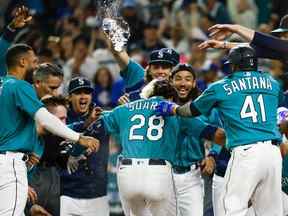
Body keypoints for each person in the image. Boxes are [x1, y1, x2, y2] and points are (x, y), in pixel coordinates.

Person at [156, 45, 283, 215]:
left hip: (245, 152)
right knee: (271, 211)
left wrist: (174, 110)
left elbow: (192, 110)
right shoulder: (273, 83)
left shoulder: (221, 86)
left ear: (235, 65)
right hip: (273, 153)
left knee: (231, 207)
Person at [101, 79, 225, 216]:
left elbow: (96, 123)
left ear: (147, 94)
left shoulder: (125, 108)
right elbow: (215, 134)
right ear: (171, 97)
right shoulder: (173, 110)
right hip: (158, 172)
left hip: (127, 174)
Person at [0, 43, 99, 215]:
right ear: (23, 62)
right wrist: (79, 137)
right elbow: (45, 120)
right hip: (10, 163)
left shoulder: (2, 85)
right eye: (34, 61)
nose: (37, 65)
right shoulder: (19, 86)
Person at [168, 63, 223, 216]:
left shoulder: (204, 108)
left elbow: (220, 135)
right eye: (178, 79)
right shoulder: (161, 106)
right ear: (171, 81)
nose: (183, 83)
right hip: (164, 174)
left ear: (193, 83)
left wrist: (212, 155)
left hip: (192, 175)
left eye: (187, 79)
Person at [60, 77, 110, 216]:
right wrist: (87, 123)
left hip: (97, 194)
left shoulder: (102, 117)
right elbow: (60, 131)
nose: (83, 96)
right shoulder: (61, 117)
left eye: (87, 93)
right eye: (78, 93)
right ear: (69, 97)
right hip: (66, 194)